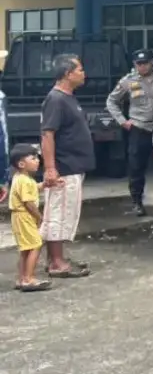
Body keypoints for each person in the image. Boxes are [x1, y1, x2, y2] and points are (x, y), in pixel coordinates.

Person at [39, 53, 94, 279]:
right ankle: (56, 263)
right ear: (67, 74)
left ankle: (57, 258)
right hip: (64, 167)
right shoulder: (56, 99)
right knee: (58, 214)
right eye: (80, 69)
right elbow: (47, 134)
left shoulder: (68, 97)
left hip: (74, 166)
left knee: (66, 213)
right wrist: (51, 168)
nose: (84, 73)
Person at [106, 48, 153, 216]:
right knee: (136, 168)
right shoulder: (127, 81)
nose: (142, 67)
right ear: (134, 65)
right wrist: (123, 121)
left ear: (152, 62)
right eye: (139, 64)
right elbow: (111, 101)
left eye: (145, 63)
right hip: (139, 128)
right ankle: (137, 202)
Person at [9, 144, 51, 292]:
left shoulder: (21, 178)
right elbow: (28, 203)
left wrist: (44, 185)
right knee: (35, 244)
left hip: (19, 217)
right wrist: (39, 217)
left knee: (26, 249)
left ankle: (22, 278)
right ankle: (29, 278)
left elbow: (32, 189)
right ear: (21, 164)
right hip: (24, 216)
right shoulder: (24, 180)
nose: (37, 160)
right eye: (33, 158)